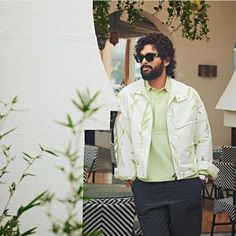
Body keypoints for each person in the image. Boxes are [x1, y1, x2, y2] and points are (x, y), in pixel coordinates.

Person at [113, 32, 219, 236]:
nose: (144, 62)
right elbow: (122, 137)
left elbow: (203, 135)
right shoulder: (128, 96)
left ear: (167, 60)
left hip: (185, 184)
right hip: (146, 187)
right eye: (140, 58)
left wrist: (201, 176)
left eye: (150, 57)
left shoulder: (188, 95)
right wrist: (130, 176)